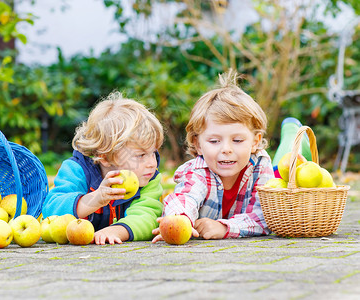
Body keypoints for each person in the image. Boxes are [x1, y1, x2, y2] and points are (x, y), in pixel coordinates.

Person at [152, 70, 274, 242]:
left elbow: (265, 217)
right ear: (198, 144)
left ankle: (291, 132)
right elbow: (186, 196)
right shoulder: (197, 171)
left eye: (237, 140)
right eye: (215, 141)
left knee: (286, 166)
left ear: (255, 141)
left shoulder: (260, 165)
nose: (226, 149)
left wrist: (225, 227)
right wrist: (179, 218)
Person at [42, 91, 164, 245]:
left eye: (153, 152)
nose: (152, 163)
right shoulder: (77, 170)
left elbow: (148, 216)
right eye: (140, 155)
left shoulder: (148, 178)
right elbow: (50, 210)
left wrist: (117, 230)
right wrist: (95, 199)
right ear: (105, 157)